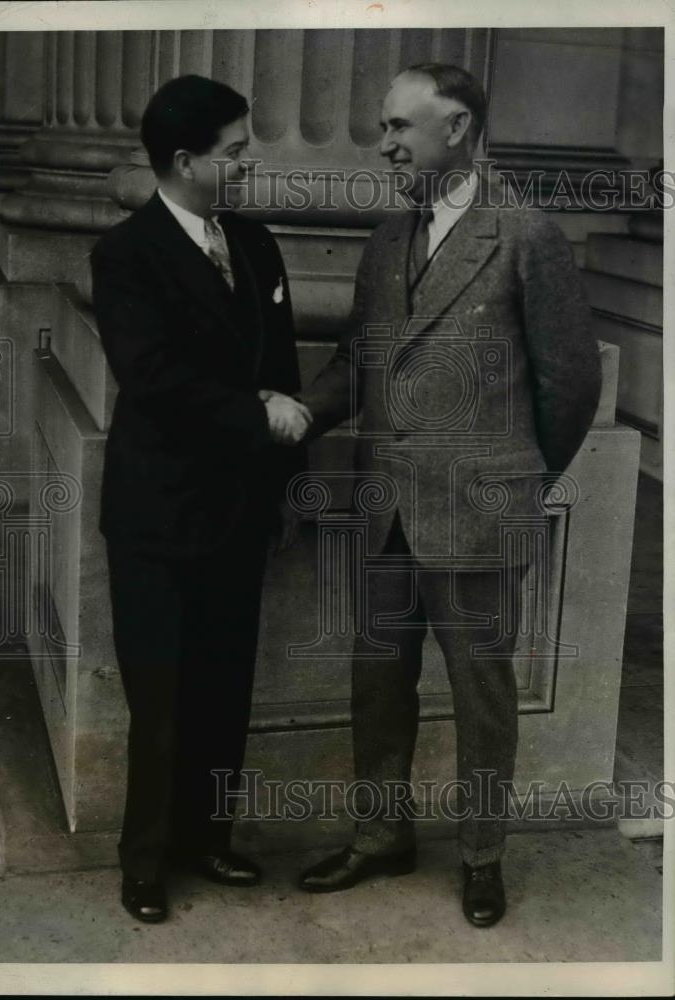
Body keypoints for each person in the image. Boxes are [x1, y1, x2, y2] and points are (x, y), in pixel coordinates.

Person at [293, 63, 602, 926]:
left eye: (400, 126)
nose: (385, 144)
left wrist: (515, 476)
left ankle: (481, 856)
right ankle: (381, 835)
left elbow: (571, 383)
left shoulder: (525, 234)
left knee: (481, 692)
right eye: (385, 127)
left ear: (457, 127)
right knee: (377, 681)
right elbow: (357, 360)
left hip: (480, 512)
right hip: (385, 508)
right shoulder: (389, 237)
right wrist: (300, 412)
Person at [90, 74, 310, 923]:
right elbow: (151, 378)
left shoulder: (253, 243)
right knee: (160, 700)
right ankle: (144, 863)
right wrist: (257, 413)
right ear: (185, 161)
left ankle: (206, 840)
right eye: (236, 151)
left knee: (225, 689)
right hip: (157, 515)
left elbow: (282, 366)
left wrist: (286, 488)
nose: (248, 164)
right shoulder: (127, 254)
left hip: (240, 508)